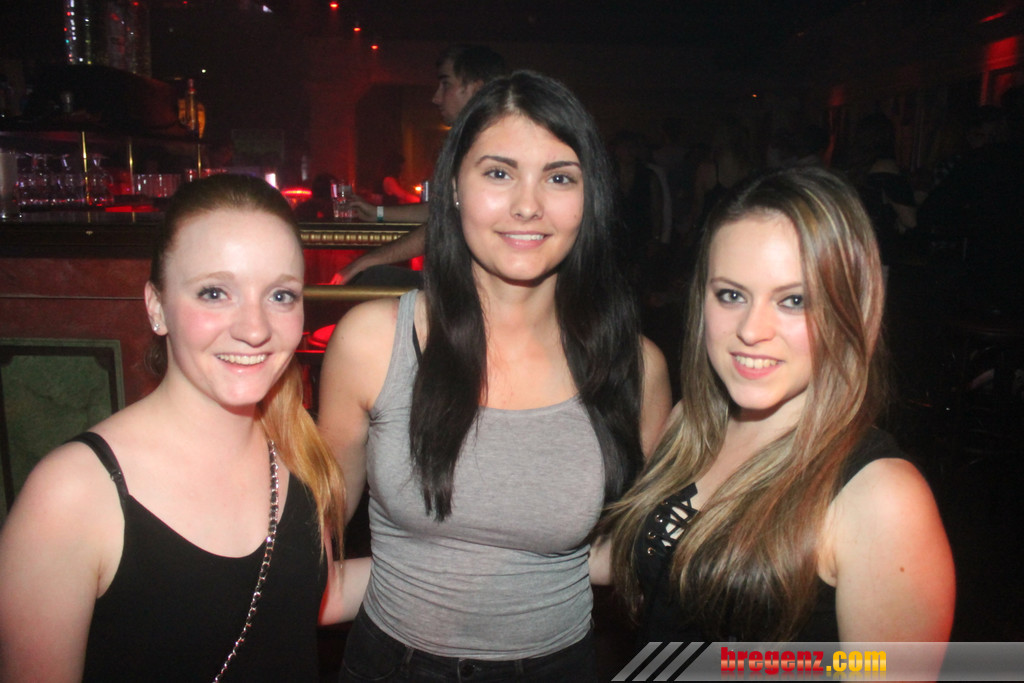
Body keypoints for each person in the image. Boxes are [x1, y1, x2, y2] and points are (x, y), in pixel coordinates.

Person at [318, 70, 671, 681]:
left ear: (589, 198)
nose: (528, 205)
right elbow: (313, 540)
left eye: (559, 177)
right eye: (499, 173)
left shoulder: (634, 368)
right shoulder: (373, 342)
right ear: (453, 187)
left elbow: (632, 549)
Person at [0, 174, 367, 681]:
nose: (255, 329)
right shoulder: (72, 495)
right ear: (157, 307)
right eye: (215, 292)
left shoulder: (295, 448)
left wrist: (463, 562)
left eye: (281, 295)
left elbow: (305, 595)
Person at [598, 166, 955, 648]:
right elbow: (638, 555)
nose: (751, 330)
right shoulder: (690, 425)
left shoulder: (883, 499)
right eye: (731, 295)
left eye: (793, 300)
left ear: (851, 308)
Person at [332, 44, 507, 285]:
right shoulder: (478, 141)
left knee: (366, 278)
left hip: (478, 288)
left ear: (476, 89)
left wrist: (368, 260)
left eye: (446, 84)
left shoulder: (493, 148)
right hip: (469, 281)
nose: (436, 97)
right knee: (369, 278)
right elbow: (444, 209)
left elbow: (449, 223)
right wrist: (378, 214)